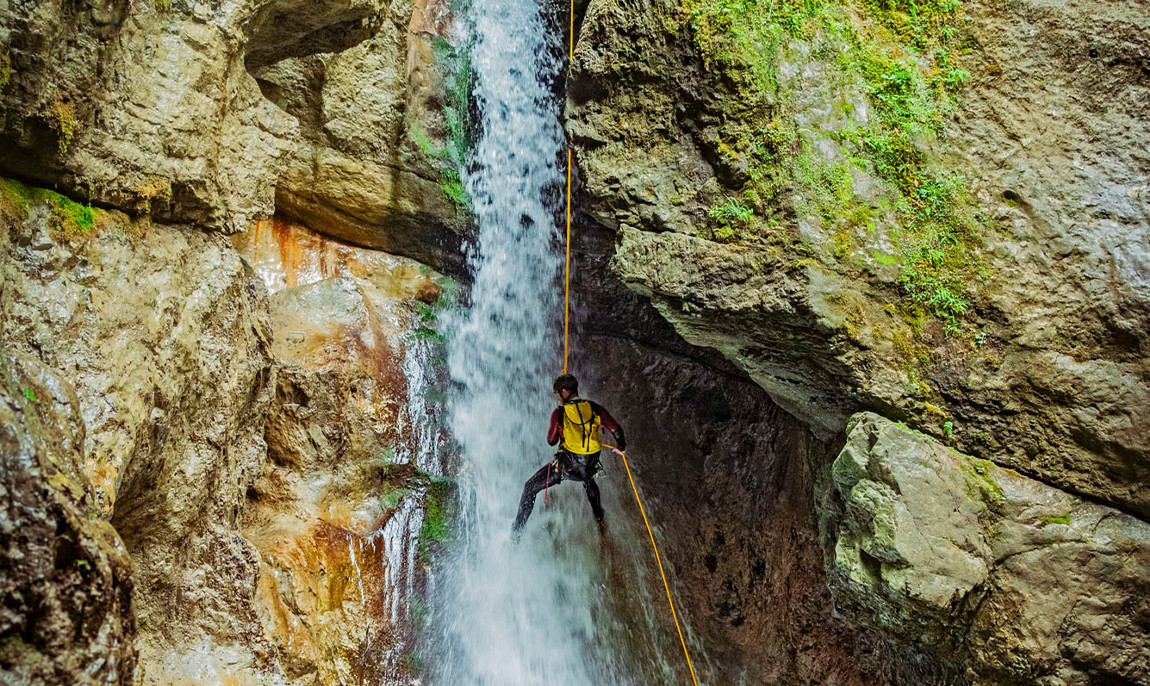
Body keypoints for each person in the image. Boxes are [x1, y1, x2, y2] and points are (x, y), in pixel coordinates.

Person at [511, 373, 626, 537]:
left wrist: (560, 431)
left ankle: (515, 533)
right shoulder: (594, 408)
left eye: (557, 394)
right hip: (589, 467)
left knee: (529, 488)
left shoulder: (559, 413)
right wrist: (621, 446)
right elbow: (616, 430)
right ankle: (599, 517)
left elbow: (551, 441)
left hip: (566, 469)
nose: (557, 398)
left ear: (564, 391)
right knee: (588, 479)